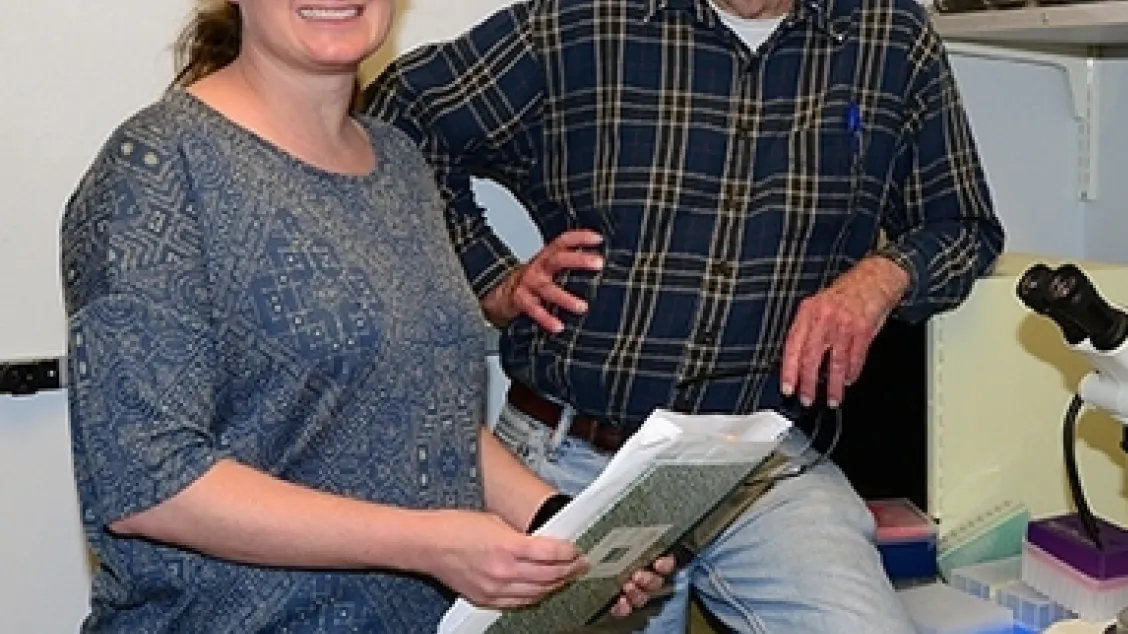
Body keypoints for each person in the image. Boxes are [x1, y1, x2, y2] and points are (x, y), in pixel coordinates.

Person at [359, 0, 1007, 629]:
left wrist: (880, 277)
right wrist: (489, 277)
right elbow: (398, 119)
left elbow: (962, 225)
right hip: (571, 461)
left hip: (763, 461)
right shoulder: (582, 20)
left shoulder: (889, 33)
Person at [58, 1, 672, 631]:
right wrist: (432, 543)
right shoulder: (156, 167)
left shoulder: (399, 162)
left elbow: (423, 416)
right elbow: (149, 483)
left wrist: (570, 535)